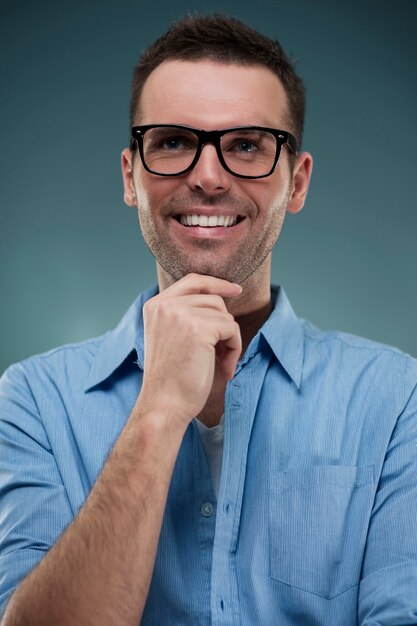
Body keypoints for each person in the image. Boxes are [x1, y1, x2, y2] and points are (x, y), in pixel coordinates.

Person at [0, 13, 416, 626]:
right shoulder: (30, 400)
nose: (208, 176)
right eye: (172, 141)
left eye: (246, 145)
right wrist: (159, 410)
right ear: (130, 177)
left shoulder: (398, 397)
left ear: (296, 183)